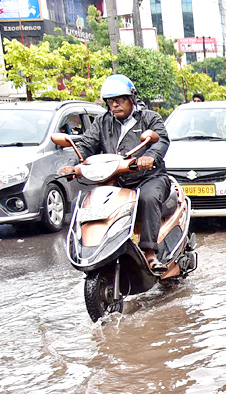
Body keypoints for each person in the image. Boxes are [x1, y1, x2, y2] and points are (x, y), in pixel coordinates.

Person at [61, 74, 174, 275]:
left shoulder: (149, 118)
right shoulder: (102, 122)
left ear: (132, 98)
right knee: (95, 201)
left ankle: (149, 253)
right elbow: (86, 145)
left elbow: (161, 140)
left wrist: (149, 157)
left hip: (149, 177)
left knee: (148, 197)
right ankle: (96, 248)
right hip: (116, 178)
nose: (115, 105)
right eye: (111, 101)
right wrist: (72, 166)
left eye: (120, 100)